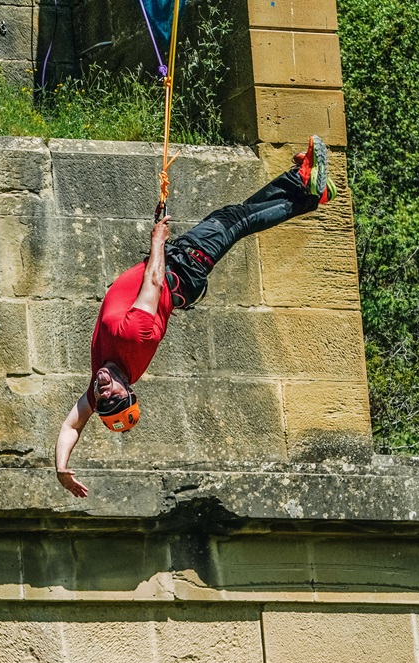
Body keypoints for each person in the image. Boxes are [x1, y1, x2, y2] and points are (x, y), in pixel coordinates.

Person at [54, 135, 338, 497]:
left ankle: (302, 180)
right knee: (237, 221)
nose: (103, 392)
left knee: (234, 216)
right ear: (129, 388)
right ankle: (311, 193)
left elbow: (72, 426)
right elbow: (154, 281)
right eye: (114, 396)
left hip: (177, 268)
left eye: (102, 401)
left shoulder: (103, 378)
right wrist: (157, 241)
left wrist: (62, 468)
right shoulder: (133, 338)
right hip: (183, 266)